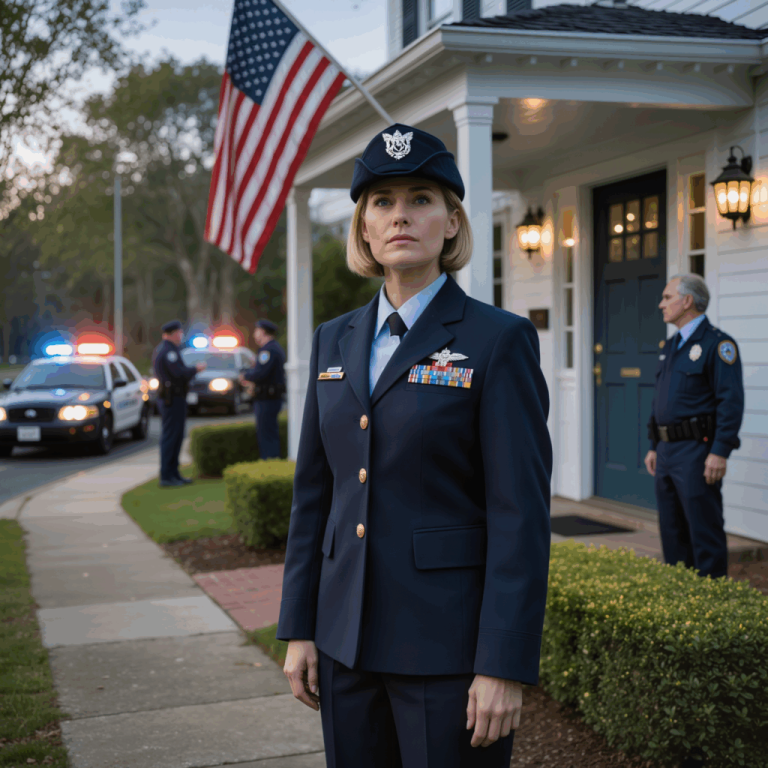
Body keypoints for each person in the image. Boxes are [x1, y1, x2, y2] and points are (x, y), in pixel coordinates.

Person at [275, 123, 553, 767]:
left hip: (447, 653)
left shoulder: (497, 339)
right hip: (344, 648)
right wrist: (300, 627)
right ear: (364, 228)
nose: (402, 215)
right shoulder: (332, 340)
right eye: (383, 201)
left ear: (451, 223)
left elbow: (520, 515)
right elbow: (315, 496)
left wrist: (502, 663)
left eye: (422, 199)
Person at [644, 274, 744, 579]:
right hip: (666, 451)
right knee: (672, 531)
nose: (661, 304)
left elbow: (730, 401)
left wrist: (720, 451)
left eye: (667, 297)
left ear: (687, 301)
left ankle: (711, 603)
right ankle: (681, 600)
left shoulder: (718, 344)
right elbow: (660, 399)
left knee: (704, 530)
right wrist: (653, 445)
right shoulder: (671, 345)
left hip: (698, 451)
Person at [154, 320, 205, 487]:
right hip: (172, 399)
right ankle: (167, 476)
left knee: (176, 437)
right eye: (179, 333)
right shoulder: (168, 351)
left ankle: (174, 473)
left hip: (175, 398)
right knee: (171, 437)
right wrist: (195, 370)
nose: (181, 336)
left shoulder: (171, 350)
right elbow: (178, 374)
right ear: (173, 333)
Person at [238, 319, 286, 459]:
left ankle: (270, 463)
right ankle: (271, 462)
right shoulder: (271, 348)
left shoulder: (268, 350)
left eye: (256, 330)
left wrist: (245, 375)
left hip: (267, 398)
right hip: (269, 397)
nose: (254, 334)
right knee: (267, 433)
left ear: (263, 332)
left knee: (267, 435)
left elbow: (261, 374)